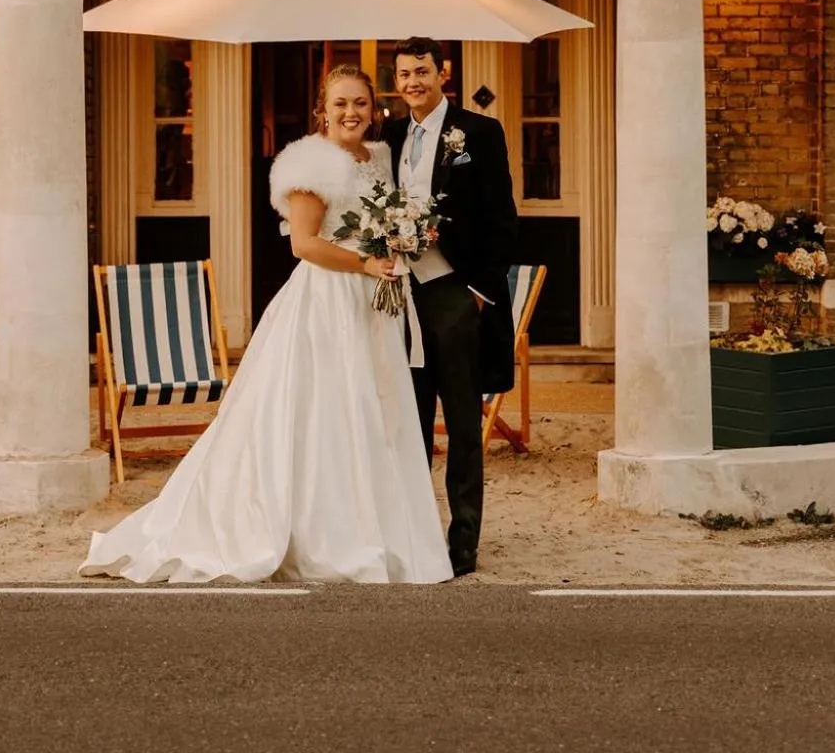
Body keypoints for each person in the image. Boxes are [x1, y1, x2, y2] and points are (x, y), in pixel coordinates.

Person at [81, 65, 453, 586]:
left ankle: (381, 528)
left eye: (361, 104)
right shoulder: (309, 162)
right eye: (341, 104)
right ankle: (316, 532)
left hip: (373, 303)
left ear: (374, 109)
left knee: (375, 411)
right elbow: (304, 244)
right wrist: (365, 263)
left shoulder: (382, 159)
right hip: (326, 302)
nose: (351, 113)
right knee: (323, 413)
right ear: (322, 110)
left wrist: (393, 247)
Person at [383, 37, 517, 577]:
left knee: (462, 423)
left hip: (454, 293)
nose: (413, 82)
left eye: (422, 71)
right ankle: (415, 533)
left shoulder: (479, 133)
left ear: (444, 73)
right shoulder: (389, 135)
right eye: (404, 74)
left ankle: (463, 540)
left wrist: (479, 293)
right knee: (408, 420)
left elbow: (503, 219)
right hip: (401, 298)